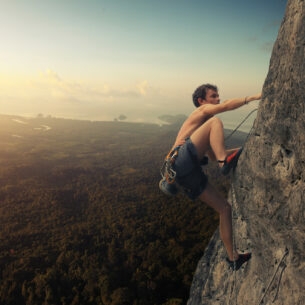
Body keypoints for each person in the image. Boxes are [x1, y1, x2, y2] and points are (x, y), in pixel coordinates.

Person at [159, 83, 261, 270]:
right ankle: (226, 162)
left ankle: (233, 258)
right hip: (181, 160)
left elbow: (215, 156)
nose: (218, 99)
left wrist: (244, 150)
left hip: (182, 173)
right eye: (213, 96)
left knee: (225, 209)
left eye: (217, 96)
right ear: (202, 101)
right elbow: (226, 106)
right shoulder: (202, 112)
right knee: (216, 122)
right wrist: (252, 98)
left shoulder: (202, 132)